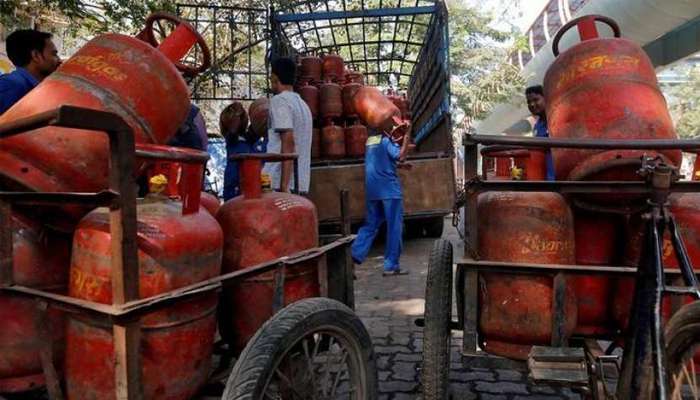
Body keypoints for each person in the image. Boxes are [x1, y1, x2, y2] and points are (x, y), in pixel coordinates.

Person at [351, 129, 412, 276]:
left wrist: (399, 166)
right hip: (390, 191)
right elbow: (401, 155)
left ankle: (352, 256)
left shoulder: (370, 142)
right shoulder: (386, 142)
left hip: (373, 190)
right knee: (394, 227)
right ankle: (391, 265)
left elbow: (380, 161)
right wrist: (407, 136)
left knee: (370, 225)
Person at [262, 57, 312, 194]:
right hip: (300, 183)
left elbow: (288, 141)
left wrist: (284, 186)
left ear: (274, 77)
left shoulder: (280, 101)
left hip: (277, 183)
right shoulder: (303, 105)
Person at [0, 29, 61, 114]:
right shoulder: (10, 86)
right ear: (36, 56)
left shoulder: (30, 87)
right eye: (54, 54)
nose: (59, 60)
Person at [221, 101, 267, 200]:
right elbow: (233, 129)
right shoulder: (232, 139)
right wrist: (237, 112)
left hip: (254, 185)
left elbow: (257, 127)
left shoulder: (251, 139)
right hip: (235, 186)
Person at [525, 84, 555, 180]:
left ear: (546, 98)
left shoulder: (555, 119)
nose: (532, 104)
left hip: (558, 177)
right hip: (543, 177)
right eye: (529, 102)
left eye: (536, 100)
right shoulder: (538, 125)